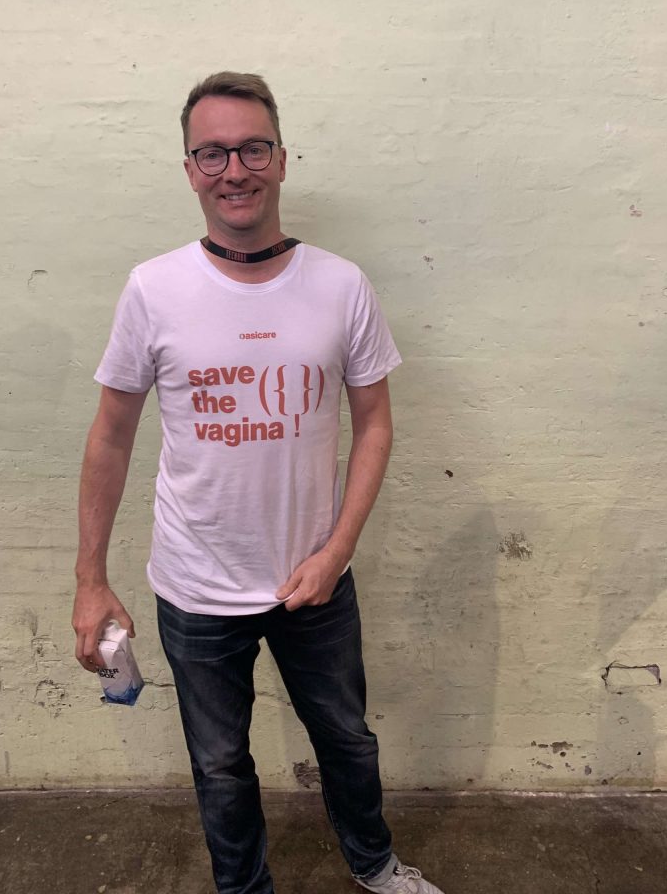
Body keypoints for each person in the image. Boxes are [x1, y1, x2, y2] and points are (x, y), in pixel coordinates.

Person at [72, 71, 444, 894]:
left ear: (281, 159)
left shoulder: (340, 284)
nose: (233, 170)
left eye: (252, 149)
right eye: (212, 153)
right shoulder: (154, 288)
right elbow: (111, 436)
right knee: (220, 764)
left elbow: (375, 424)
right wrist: (89, 578)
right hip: (195, 586)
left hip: (315, 580)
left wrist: (336, 551)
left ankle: (375, 865)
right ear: (189, 169)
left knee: (347, 738)